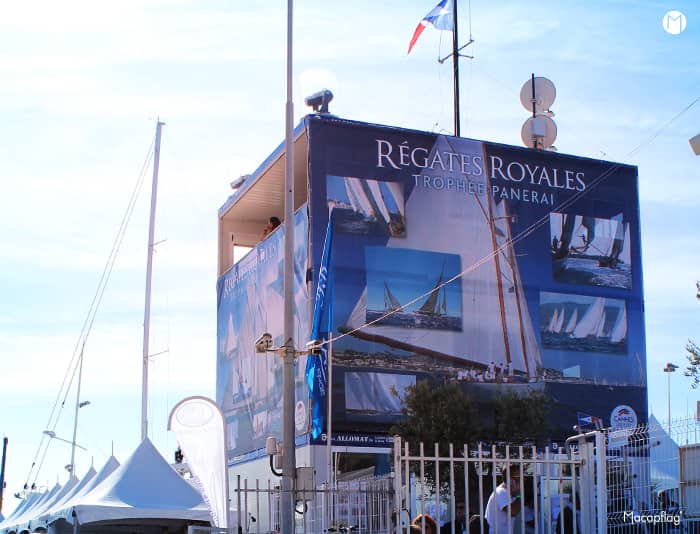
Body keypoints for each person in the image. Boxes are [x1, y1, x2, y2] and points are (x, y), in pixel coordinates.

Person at [485, 464, 521, 533]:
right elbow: (513, 512)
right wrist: (518, 495)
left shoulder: (508, 493)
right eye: (518, 478)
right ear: (510, 480)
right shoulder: (501, 492)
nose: (521, 481)